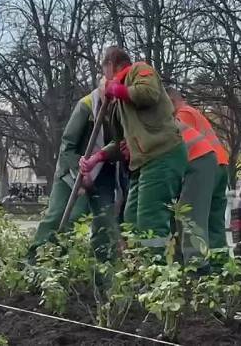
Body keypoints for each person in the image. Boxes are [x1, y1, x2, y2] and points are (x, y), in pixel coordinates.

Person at [80, 47, 187, 252]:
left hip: (162, 154)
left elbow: (148, 93)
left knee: (150, 219)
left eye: (105, 73)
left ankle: (157, 275)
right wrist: (97, 158)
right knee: (130, 219)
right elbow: (121, 143)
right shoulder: (120, 105)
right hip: (144, 163)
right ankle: (140, 267)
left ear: (110, 65)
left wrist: (114, 89)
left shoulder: (139, 70)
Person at [29, 87, 119, 262]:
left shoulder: (121, 112)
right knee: (61, 218)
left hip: (104, 174)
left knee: (105, 225)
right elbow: (67, 147)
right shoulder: (85, 106)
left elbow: (119, 144)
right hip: (70, 173)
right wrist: (80, 171)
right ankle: (37, 264)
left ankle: (103, 277)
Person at [166, 88, 231, 262]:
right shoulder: (195, 113)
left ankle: (197, 266)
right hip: (221, 164)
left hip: (207, 167)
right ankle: (221, 266)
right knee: (214, 222)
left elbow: (183, 147)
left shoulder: (183, 114)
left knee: (192, 218)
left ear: (171, 102)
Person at [175, 120, 217, 268]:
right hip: (210, 159)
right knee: (203, 219)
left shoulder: (182, 113)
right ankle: (213, 263)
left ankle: (198, 269)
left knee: (190, 216)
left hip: (197, 159)